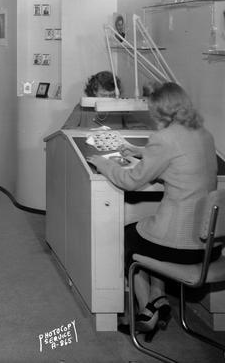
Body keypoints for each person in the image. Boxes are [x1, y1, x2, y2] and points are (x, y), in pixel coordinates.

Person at [86, 82, 220, 339]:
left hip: (180, 245)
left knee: (128, 237)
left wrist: (103, 163)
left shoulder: (165, 138)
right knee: (147, 231)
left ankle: (146, 308)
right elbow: (178, 162)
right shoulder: (204, 134)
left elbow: (130, 181)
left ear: (162, 110)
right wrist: (141, 152)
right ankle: (158, 298)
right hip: (208, 243)